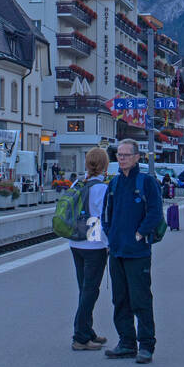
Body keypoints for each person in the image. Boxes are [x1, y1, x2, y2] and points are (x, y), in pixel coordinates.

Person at [101, 139, 162, 363]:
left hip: (138, 252)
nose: (122, 158)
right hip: (117, 251)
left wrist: (140, 233)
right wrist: (110, 234)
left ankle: (146, 345)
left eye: (127, 155)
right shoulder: (114, 184)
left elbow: (155, 213)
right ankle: (126, 342)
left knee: (141, 299)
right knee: (120, 299)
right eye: (119, 154)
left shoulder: (146, 182)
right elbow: (106, 213)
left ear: (137, 157)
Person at [71, 147, 111, 351]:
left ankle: (88, 331)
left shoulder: (78, 183)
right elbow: (101, 218)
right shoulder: (102, 189)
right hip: (93, 241)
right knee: (90, 290)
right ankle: (80, 336)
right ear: (105, 165)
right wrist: (108, 244)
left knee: (83, 288)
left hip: (75, 240)